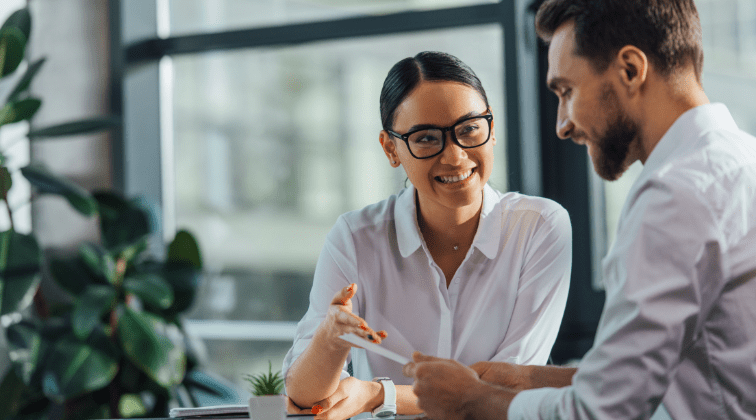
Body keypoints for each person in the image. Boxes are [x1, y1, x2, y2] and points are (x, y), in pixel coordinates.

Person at [403, 1, 756, 419]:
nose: (562, 124)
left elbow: (600, 412)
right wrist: (532, 380)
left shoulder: (674, 195)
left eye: (567, 91)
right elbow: (687, 373)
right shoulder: (739, 160)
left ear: (629, 69)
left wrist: (470, 401)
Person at [282, 51, 573, 420]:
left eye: (469, 129)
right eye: (426, 138)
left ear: (492, 128)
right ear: (391, 149)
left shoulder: (541, 227)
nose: (454, 157)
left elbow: (505, 386)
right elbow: (304, 397)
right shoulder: (355, 238)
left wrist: (378, 395)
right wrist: (330, 340)